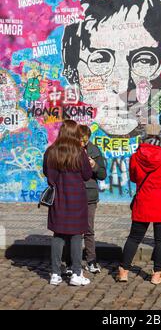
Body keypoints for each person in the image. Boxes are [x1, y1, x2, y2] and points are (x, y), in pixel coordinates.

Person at [62, 0, 161, 136]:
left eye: (143, 60)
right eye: (100, 59)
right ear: (71, 67)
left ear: (158, 67)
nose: (122, 87)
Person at [117, 124, 161, 285]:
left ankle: (123, 271)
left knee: (134, 237)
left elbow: (133, 178)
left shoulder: (136, 156)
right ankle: (157, 274)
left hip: (143, 201)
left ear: (143, 136)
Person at [43, 120, 93, 286]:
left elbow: (47, 174)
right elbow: (86, 175)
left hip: (58, 198)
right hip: (77, 198)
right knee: (77, 235)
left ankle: (55, 274)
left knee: (58, 235)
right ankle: (76, 273)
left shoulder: (51, 151)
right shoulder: (79, 152)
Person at [79, 124, 106, 273]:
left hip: (89, 195)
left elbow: (102, 174)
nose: (82, 143)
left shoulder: (94, 150)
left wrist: (94, 165)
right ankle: (71, 262)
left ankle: (91, 260)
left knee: (89, 229)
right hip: (73, 193)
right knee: (73, 231)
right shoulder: (70, 149)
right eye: (80, 140)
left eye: (85, 140)